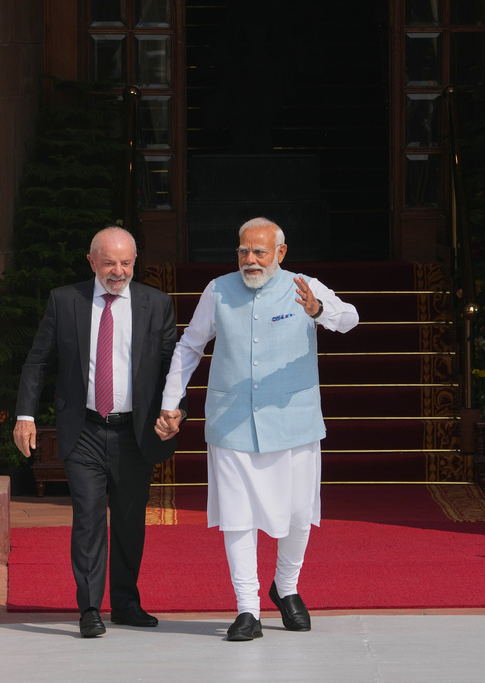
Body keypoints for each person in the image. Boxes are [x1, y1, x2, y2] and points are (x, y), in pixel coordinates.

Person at [155, 217, 358, 641]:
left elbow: (350, 319)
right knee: (237, 517)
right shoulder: (218, 290)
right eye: (244, 251)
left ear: (280, 253)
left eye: (259, 252)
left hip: (295, 422)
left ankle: (286, 587)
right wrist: (170, 401)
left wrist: (319, 311)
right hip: (231, 423)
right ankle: (247, 608)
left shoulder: (304, 286)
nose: (250, 260)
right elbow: (190, 346)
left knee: (300, 513)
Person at [13, 226, 181, 638]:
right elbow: (38, 362)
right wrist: (25, 415)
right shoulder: (65, 300)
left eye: (126, 263)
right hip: (84, 428)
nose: (118, 271)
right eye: (109, 263)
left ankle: (125, 603)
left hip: (135, 432)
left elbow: (173, 367)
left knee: (128, 521)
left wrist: (174, 410)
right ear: (92, 262)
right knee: (88, 520)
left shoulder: (155, 304)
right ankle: (89, 607)